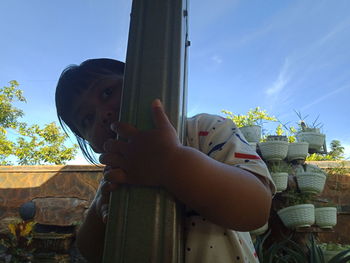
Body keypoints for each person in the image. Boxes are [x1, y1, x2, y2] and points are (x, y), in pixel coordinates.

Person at [55, 58, 276, 263]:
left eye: (107, 93)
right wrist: (99, 213)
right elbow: (89, 252)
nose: (103, 114)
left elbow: (257, 209)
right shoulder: (115, 177)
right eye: (87, 118)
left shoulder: (204, 130)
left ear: (142, 83)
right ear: (91, 143)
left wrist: (171, 163)